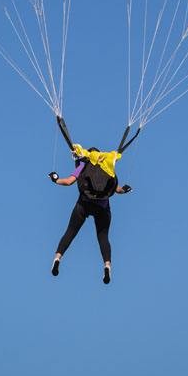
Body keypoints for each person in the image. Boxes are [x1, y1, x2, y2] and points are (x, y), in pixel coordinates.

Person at [47, 117, 138, 284]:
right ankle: (107, 265)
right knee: (103, 237)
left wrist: (55, 179)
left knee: (70, 232)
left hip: (84, 205)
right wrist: (124, 189)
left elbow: (68, 182)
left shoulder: (84, 165)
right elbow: (116, 189)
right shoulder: (106, 167)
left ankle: (58, 258)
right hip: (102, 208)